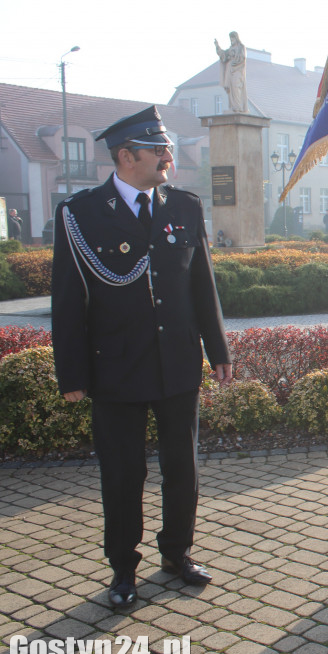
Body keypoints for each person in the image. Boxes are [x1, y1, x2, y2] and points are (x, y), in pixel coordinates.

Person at [50, 106, 233, 608]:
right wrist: (72, 372)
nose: (167, 157)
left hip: (176, 361)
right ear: (126, 157)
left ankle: (177, 553)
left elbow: (202, 285)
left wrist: (217, 349)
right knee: (124, 473)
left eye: (168, 148)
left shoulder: (184, 207)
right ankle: (123, 569)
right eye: (158, 150)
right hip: (115, 368)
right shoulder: (80, 214)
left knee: (184, 467)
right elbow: (67, 301)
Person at [214, 31, 248, 113]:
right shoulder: (230, 49)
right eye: (230, 38)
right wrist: (217, 46)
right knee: (230, 88)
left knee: (236, 87)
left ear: (236, 38)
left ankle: (238, 107)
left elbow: (242, 58)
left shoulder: (241, 47)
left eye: (233, 38)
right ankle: (233, 107)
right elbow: (223, 56)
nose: (231, 40)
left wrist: (234, 61)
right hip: (229, 70)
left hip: (237, 70)